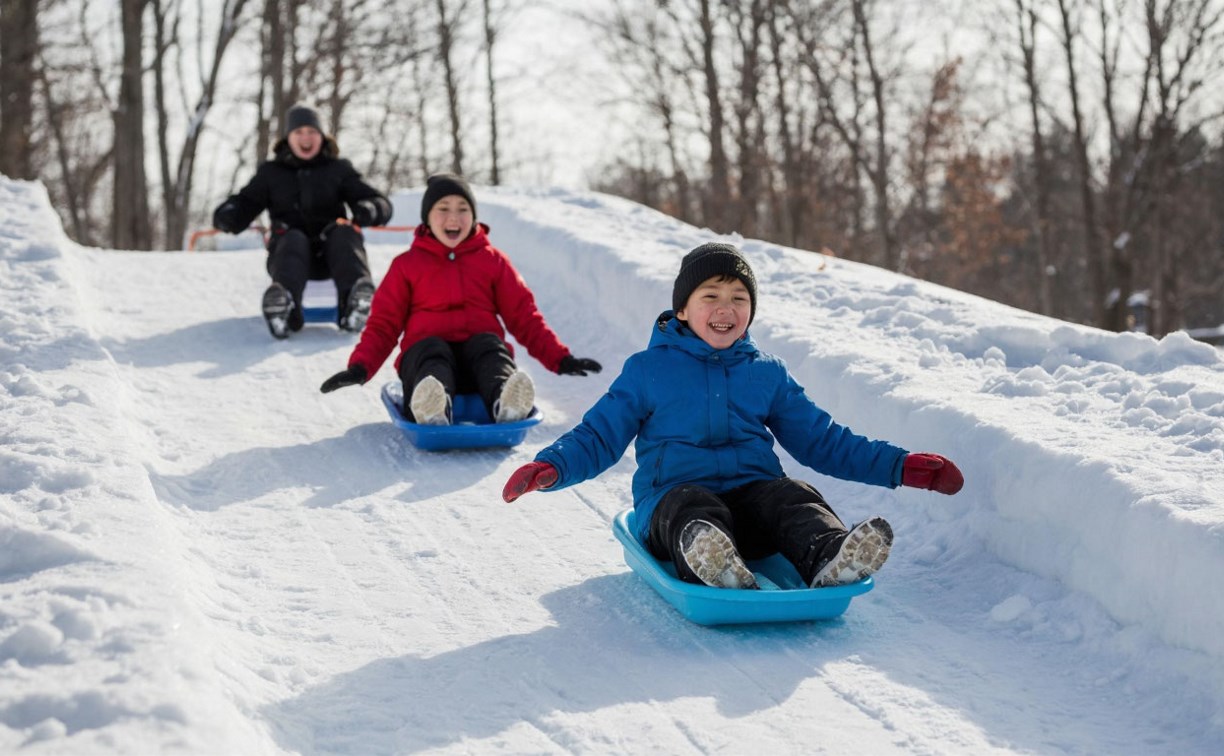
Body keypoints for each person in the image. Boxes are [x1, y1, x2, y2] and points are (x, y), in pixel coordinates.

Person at [502, 242, 964, 589]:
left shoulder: (766, 373)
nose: (726, 309)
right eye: (711, 296)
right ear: (683, 309)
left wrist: (900, 466)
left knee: (793, 496)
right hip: (673, 510)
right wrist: (551, 466)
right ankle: (712, 564)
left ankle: (830, 556)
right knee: (691, 505)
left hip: (752, 510)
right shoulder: (648, 371)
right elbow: (599, 435)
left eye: (739, 298)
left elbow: (822, 440)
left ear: (751, 310)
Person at [318, 173, 603, 425]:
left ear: (474, 216)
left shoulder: (492, 261)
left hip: (478, 371)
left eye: (462, 209)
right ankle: (432, 407)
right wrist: (361, 367)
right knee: (429, 349)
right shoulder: (406, 265)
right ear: (427, 217)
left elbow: (524, 316)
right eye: (443, 209)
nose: (453, 218)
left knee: (490, 346)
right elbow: (384, 324)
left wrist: (560, 358)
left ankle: (506, 402)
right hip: (425, 365)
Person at [212, 103, 393, 339]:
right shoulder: (271, 173)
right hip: (288, 254)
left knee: (344, 232)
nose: (306, 138)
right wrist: (229, 216)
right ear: (288, 137)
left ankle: (355, 304)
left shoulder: (338, 169)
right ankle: (284, 307)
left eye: (312, 132)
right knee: (292, 237)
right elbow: (246, 202)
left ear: (322, 136)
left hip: (332, 255)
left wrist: (370, 208)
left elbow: (378, 201)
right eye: (299, 132)